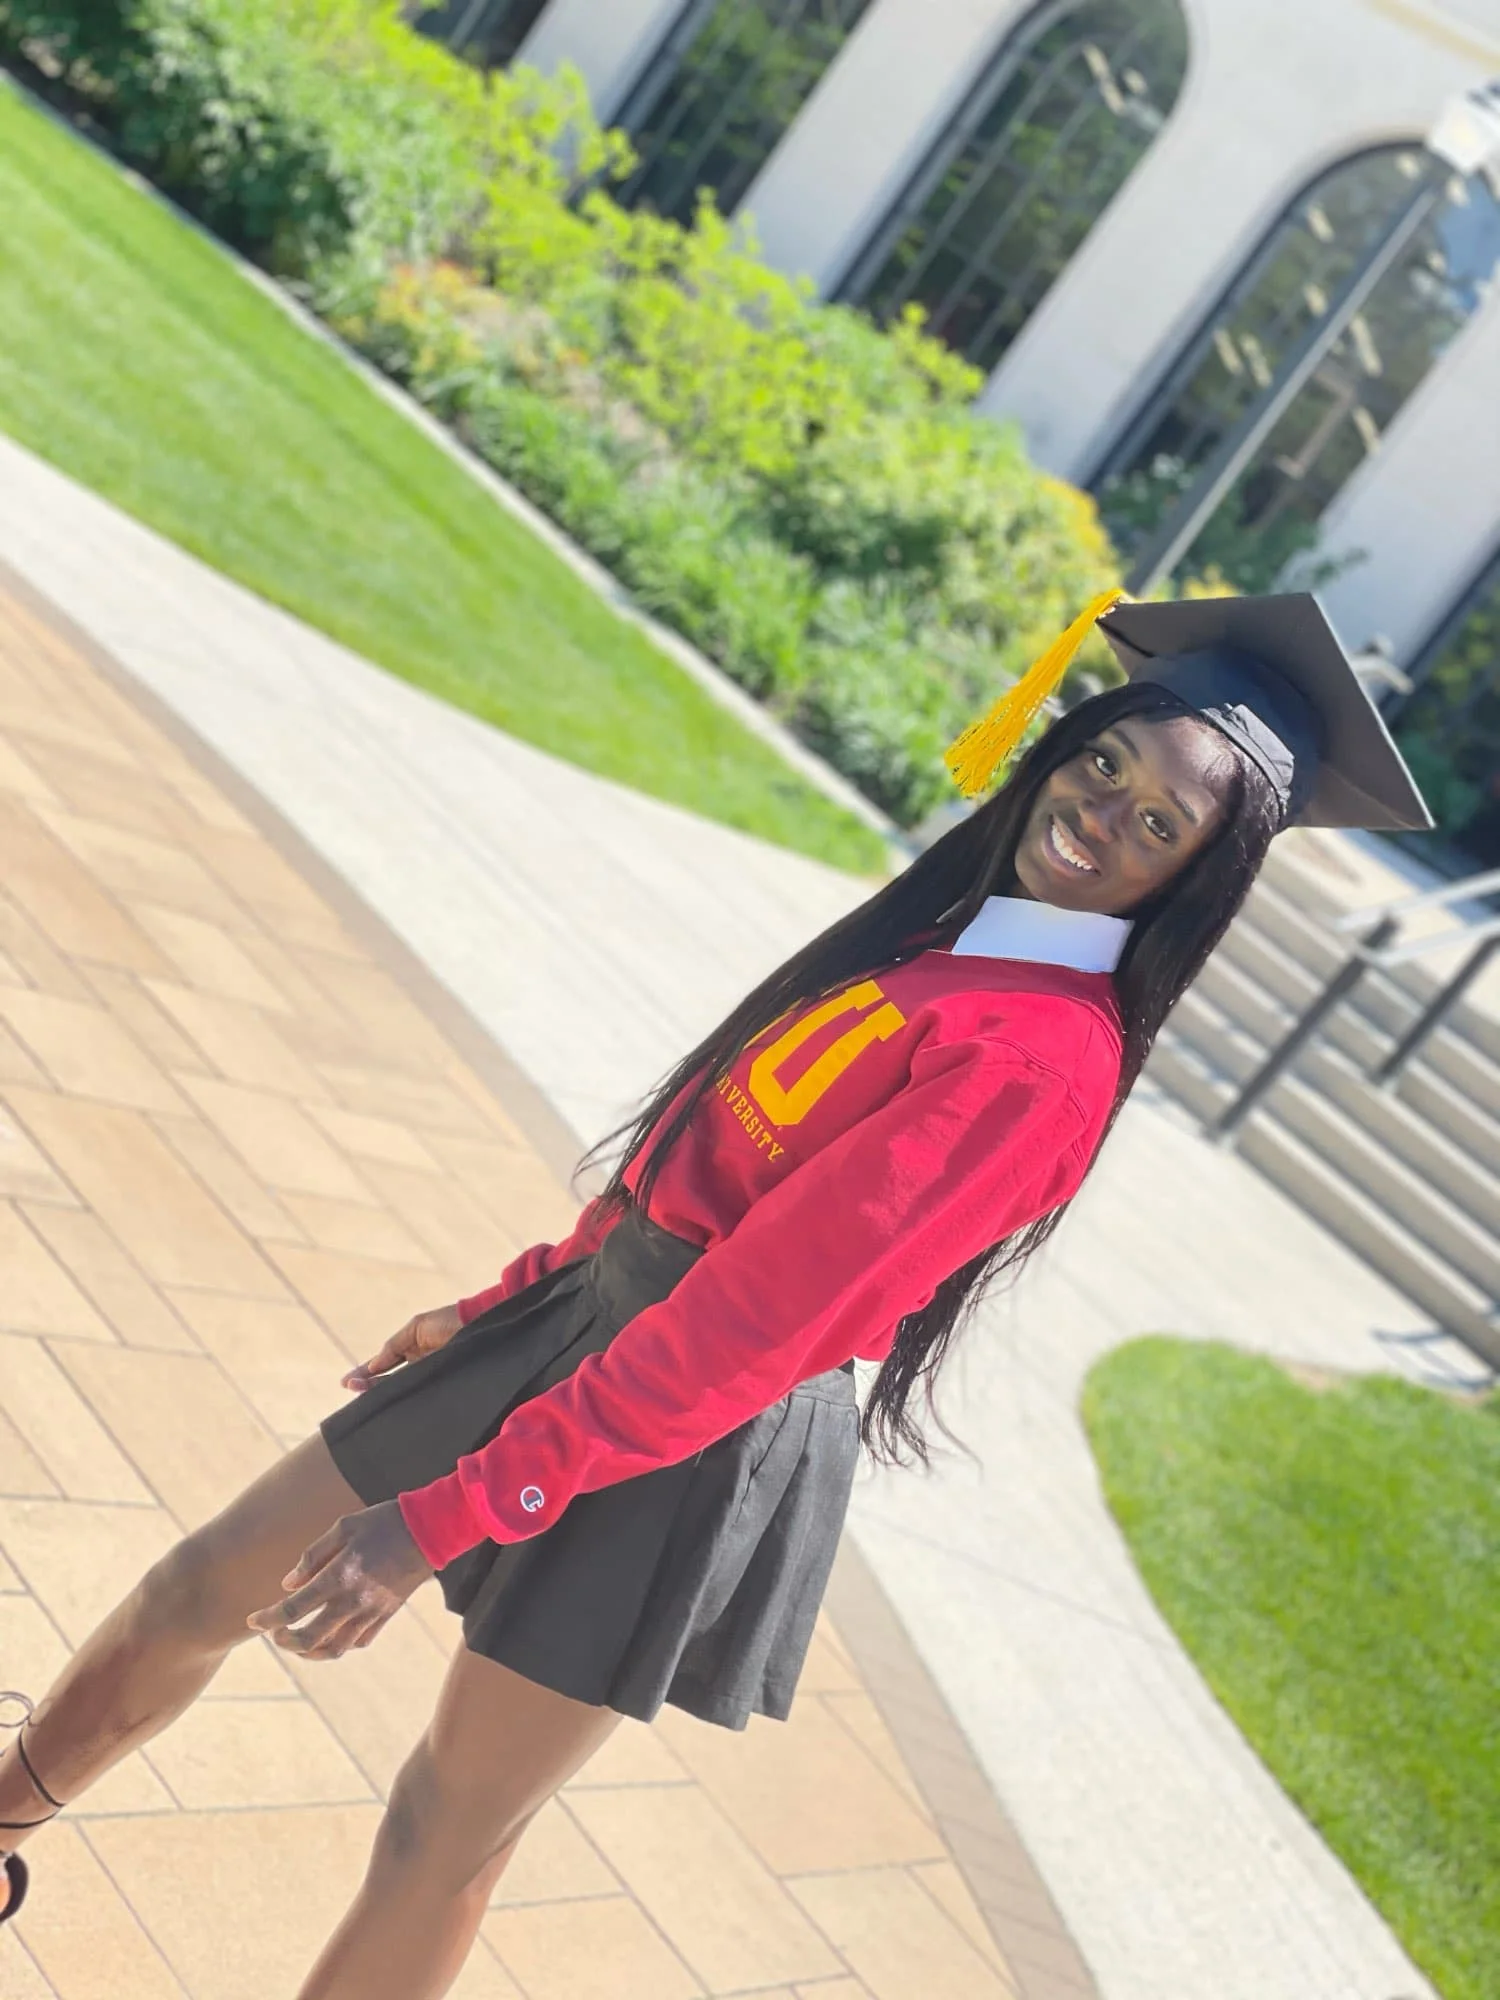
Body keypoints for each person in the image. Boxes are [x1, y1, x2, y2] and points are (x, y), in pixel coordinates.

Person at [0, 591, 1429, 1994]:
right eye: (1105, 761)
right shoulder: (959, 938)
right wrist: (520, 1294)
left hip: (693, 1433)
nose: (1103, 812)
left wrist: (443, 1515)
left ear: (1191, 882)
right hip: (593, 1318)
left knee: (444, 1828)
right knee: (205, 1581)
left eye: (1161, 824)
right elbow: (705, 1158)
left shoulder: (1036, 1059)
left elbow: (745, 1330)